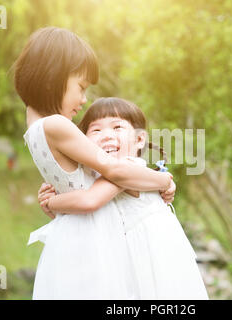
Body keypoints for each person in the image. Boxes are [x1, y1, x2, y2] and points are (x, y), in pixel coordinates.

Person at [14, 27, 175, 299]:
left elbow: (76, 184)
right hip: (94, 239)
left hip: (74, 234)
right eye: (81, 87)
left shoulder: (34, 128)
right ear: (54, 78)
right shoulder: (56, 125)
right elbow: (113, 170)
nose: (84, 100)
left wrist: (53, 202)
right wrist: (163, 179)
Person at [38, 97, 208, 299]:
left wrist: (51, 203)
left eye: (117, 127)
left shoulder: (127, 169)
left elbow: (89, 201)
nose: (107, 136)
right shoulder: (97, 178)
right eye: (96, 130)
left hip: (152, 261)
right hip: (128, 260)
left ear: (139, 140)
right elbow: (90, 223)